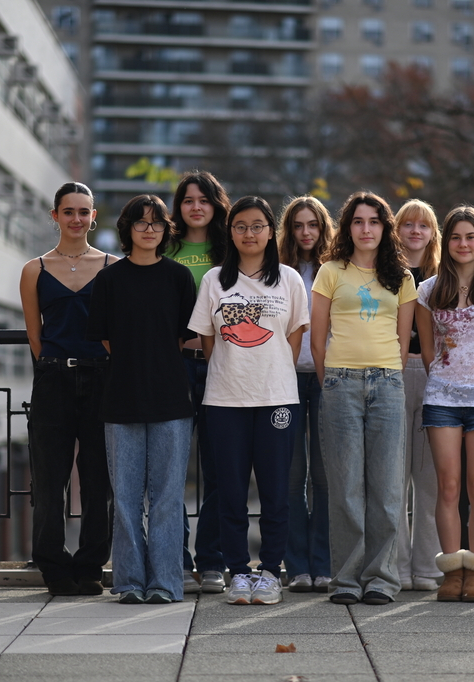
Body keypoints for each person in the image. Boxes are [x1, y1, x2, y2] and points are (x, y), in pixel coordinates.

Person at [188, 196, 309, 605]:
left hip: (277, 398)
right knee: (231, 490)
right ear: (231, 232)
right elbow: (208, 343)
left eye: (257, 225)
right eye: (240, 226)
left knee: (276, 491)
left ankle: (271, 572)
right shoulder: (214, 282)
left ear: (270, 232)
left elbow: (293, 342)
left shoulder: (289, 280)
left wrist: (267, 372)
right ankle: (238, 571)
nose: (249, 233)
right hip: (224, 398)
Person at [87, 195, 196, 604]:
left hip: (171, 398)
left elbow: (187, 336)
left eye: (156, 223)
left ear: (166, 230)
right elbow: (104, 337)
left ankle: (166, 583)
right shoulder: (110, 279)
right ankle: (130, 581)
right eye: (140, 223)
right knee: (127, 497)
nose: (148, 229)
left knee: (168, 497)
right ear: (127, 229)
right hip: (121, 398)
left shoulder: (178, 278)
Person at [312, 191, 417, 606]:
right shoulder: (330, 271)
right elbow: (318, 340)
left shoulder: (402, 278)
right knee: (345, 486)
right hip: (340, 383)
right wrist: (332, 381)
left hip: (388, 384)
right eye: (358, 221)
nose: (366, 228)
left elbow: (402, 340)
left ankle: (380, 579)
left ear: (384, 227)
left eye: (374, 221)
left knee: (388, 487)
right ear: (348, 227)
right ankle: (347, 580)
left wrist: (386, 374)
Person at [19, 182, 117, 596]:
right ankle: (54, 567)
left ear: (94, 217)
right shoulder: (34, 269)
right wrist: (53, 366)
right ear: (55, 216)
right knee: (49, 477)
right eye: (69, 211)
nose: (77, 219)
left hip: (102, 378)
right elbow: (34, 335)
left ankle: (91, 564)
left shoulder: (114, 266)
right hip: (54, 378)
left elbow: (116, 331)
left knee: (99, 479)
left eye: (84, 211)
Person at [416, 205, 474, 602]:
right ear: (446, 242)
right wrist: (448, 377)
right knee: (449, 486)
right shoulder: (429, 290)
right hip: (442, 397)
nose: (463, 243)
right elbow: (427, 350)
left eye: (470, 236)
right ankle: (452, 572)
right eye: (455, 237)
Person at [168, 170, 231, 594]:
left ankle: (211, 562)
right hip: (171, 367)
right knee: (171, 470)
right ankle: (176, 559)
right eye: (188, 199)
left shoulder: (229, 250)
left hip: (221, 367)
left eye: (203, 199)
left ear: (215, 204)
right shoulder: (166, 247)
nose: (196, 206)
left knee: (218, 470)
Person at [277, 196, 335, 594]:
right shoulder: (277, 272)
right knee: (291, 475)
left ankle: (325, 563)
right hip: (286, 379)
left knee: (327, 476)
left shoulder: (337, 270)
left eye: (312, 224)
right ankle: (297, 565)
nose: (306, 232)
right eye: (298, 225)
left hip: (329, 377)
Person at [392, 199, 442, 592]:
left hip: (433, 375)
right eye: (407, 224)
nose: (414, 231)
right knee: (393, 478)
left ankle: (428, 567)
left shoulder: (444, 277)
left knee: (429, 479)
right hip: (391, 370)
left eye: (422, 226)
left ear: (432, 233)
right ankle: (396, 568)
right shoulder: (385, 273)